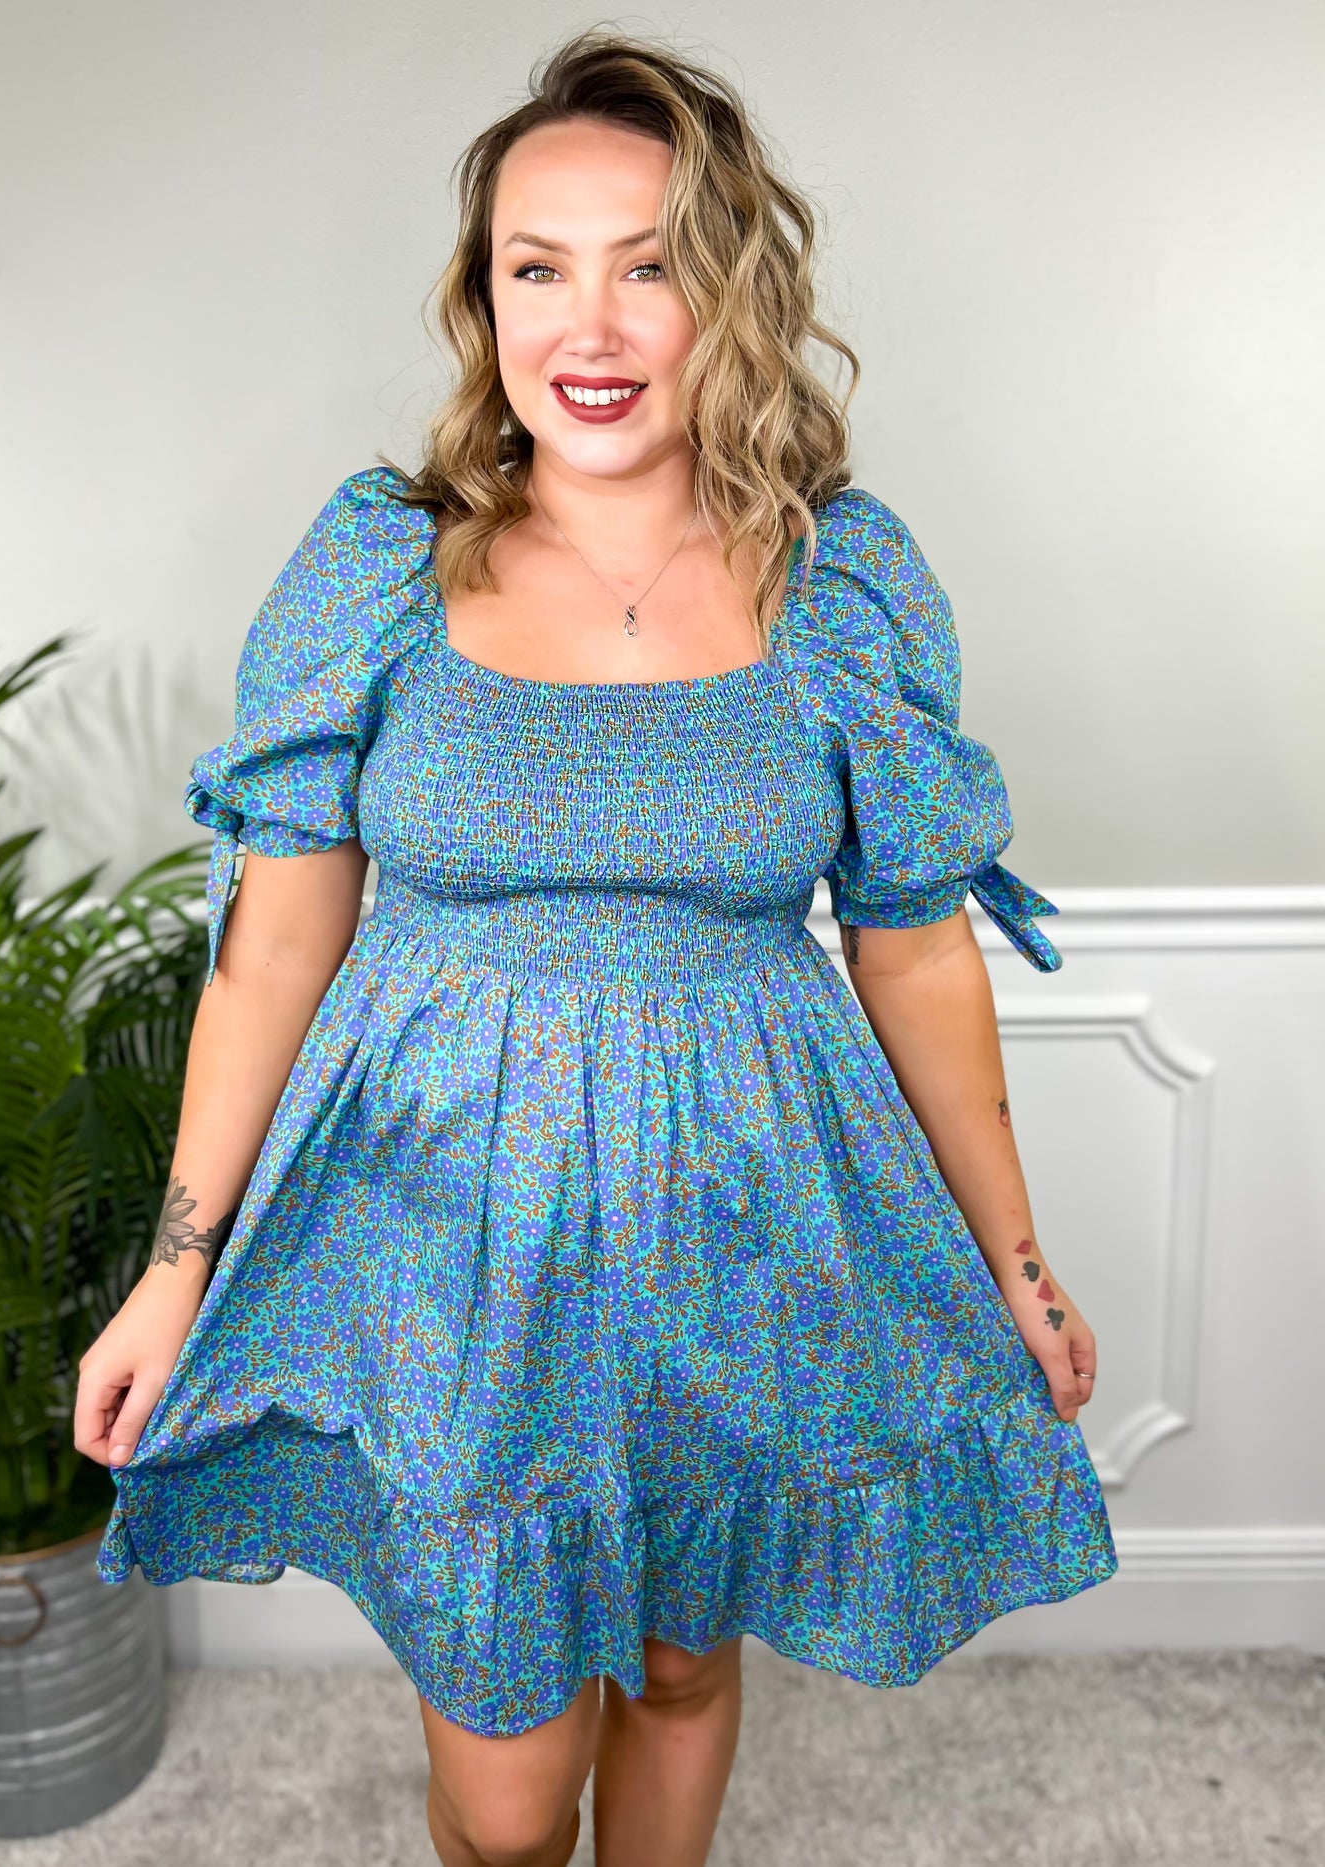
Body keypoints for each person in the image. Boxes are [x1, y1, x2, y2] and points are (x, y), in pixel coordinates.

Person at [74, 28, 1117, 1867]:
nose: (594, 326)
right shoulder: (379, 569)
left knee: (690, 1670)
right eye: (538, 269)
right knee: (501, 1798)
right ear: (484, 299)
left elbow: (917, 953)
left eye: (650, 268)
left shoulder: (846, 580)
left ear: (731, 289)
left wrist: (1017, 1265)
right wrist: (177, 1271)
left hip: (745, 1230)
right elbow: (274, 953)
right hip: (447, 1251)